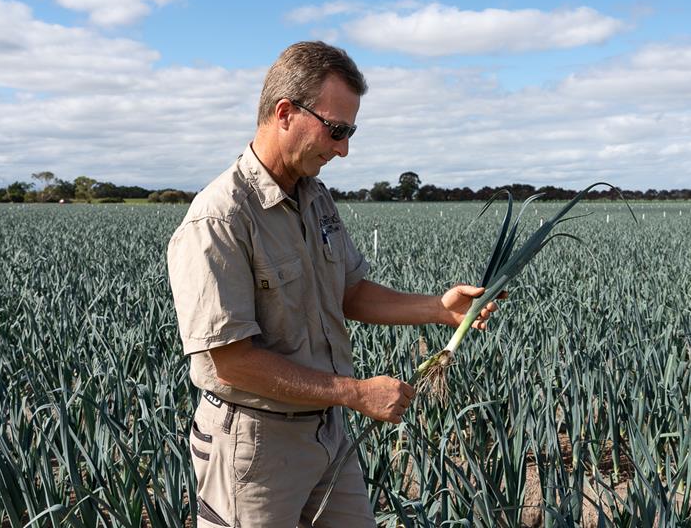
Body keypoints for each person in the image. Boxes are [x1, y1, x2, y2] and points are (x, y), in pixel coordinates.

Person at [167, 41, 501, 528]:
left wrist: (440, 309)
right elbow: (233, 361)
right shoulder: (220, 218)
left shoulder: (315, 199)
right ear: (285, 113)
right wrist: (354, 393)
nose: (343, 148)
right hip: (254, 448)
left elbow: (350, 292)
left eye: (351, 131)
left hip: (326, 435)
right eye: (337, 130)